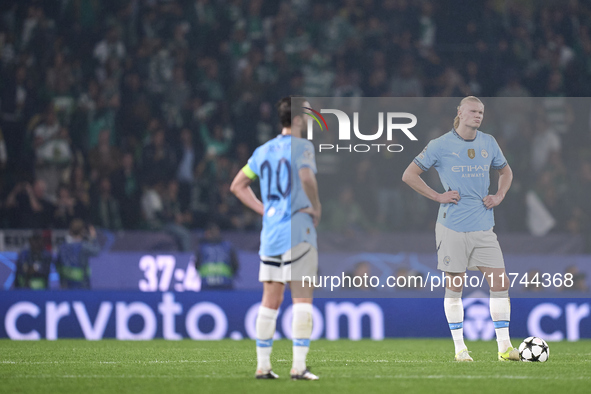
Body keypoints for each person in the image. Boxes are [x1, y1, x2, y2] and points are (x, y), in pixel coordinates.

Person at [402, 96, 519, 362]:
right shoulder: (440, 145)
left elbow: (506, 172)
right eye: (473, 111)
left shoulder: (489, 142)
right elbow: (409, 174)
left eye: (481, 112)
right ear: (460, 113)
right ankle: (460, 349)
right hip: (451, 226)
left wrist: (499, 196)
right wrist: (437, 196)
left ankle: (504, 348)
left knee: (501, 282)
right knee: (455, 286)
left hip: (483, 225)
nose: (478, 116)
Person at [230, 96, 321, 380]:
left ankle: (263, 366)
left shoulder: (263, 150)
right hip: (298, 230)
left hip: (270, 234)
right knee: (302, 299)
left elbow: (237, 185)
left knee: (270, 300)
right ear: (295, 120)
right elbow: (306, 177)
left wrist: (264, 209)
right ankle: (298, 366)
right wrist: (316, 206)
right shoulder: (302, 146)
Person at [55, 219, 101, 289]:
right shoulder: (83, 246)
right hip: (82, 287)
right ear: (83, 231)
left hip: (66, 286)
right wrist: (93, 237)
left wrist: (61, 282)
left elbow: (58, 266)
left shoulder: (62, 247)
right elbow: (97, 251)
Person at [195, 222, 239, 289]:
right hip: (226, 282)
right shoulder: (228, 246)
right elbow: (235, 264)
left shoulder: (202, 247)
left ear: (207, 233)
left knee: (206, 299)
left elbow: (197, 264)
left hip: (206, 282)